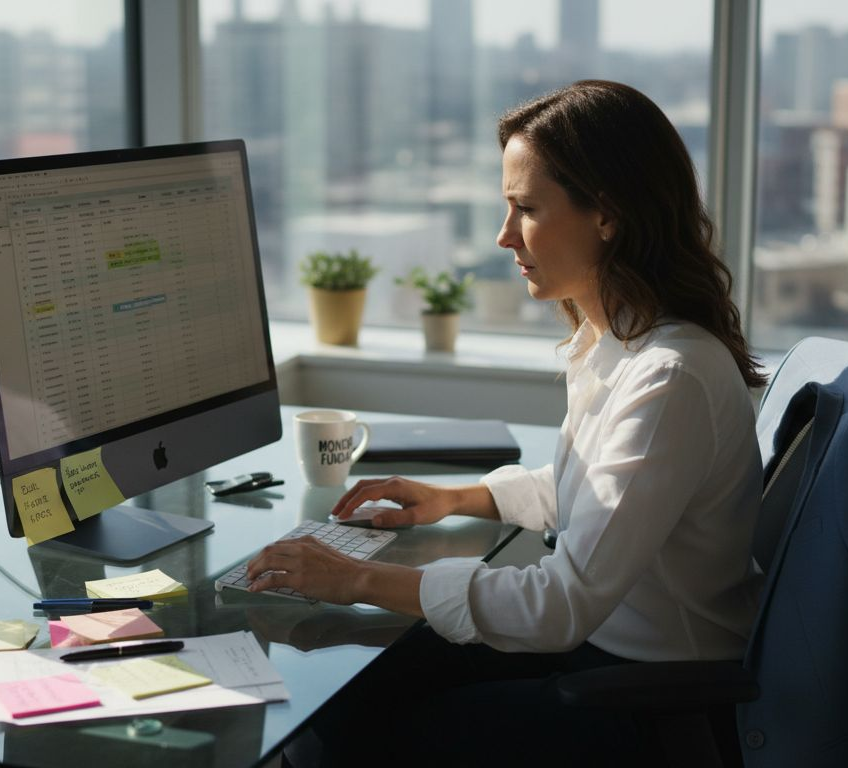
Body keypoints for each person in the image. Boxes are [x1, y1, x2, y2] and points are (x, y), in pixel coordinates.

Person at [248, 80, 768, 766]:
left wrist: (357, 578)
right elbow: (596, 494)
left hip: (642, 697)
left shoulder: (670, 375)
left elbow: (561, 603)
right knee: (360, 685)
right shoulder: (621, 342)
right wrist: (459, 499)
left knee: (366, 734)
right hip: (603, 652)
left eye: (525, 209)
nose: (502, 236)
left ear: (606, 215)